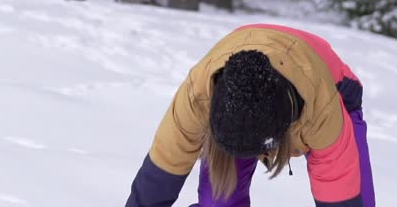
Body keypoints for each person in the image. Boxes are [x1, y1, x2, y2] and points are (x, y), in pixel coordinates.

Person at [125, 23, 375, 207]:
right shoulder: (197, 96)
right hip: (239, 90)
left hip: (334, 89)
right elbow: (157, 180)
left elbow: (338, 191)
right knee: (218, 204)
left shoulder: (322, 110)